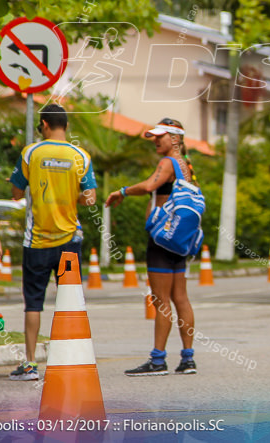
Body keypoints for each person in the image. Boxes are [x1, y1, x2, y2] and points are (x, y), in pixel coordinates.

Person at [8, 103, 97, 380]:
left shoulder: (31, 152)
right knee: (69, 302)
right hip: (70, 241)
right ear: (66, 126)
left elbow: (15, 192)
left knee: (33, 303)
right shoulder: (81, 155)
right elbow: (89, 197)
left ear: (44, 125)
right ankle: (68, 362)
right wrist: (74, 195)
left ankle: (31, 364)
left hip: (36, 242)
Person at [106, 118, 199, 377]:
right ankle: (188, 358)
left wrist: (121, 191)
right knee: (180, 297)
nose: (156, 141)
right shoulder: (187, 165)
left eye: (161, 136)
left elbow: (149, 186)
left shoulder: (168, 163)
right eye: (155, 137)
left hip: (162, 238)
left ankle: (158, 360)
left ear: (175, 139)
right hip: (180, 239)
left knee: (161, 300)